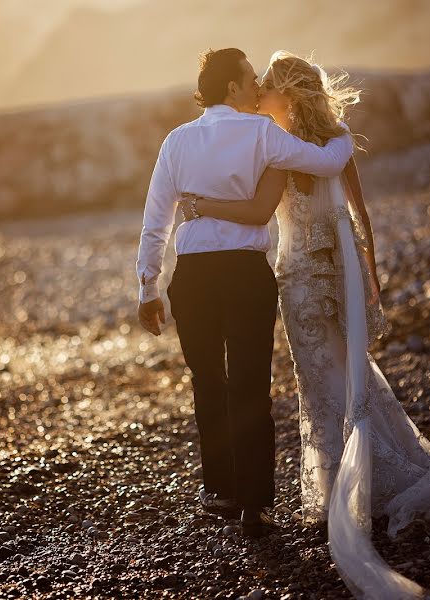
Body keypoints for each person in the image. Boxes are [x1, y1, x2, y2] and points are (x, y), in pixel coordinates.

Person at [178, 51, 430, 599]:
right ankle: (349, 481)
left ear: (289, 94)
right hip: (312, 270)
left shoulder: (285, 147)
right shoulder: (304, 140)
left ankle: (351, 486)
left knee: (336, 373)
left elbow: (316, 212)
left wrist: (200, 206)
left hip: (312, 271)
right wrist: (366, 274)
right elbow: (342, 211)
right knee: (332, 373)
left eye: (266, 86)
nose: (257, 95)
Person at [135, 48, 354, 538]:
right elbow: (327, 161)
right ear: (232, 87)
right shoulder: (262, 134)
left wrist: (148, 286)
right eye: (251, 78)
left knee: (207, 382)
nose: (257, 86)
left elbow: (156, 221)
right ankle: (253, 504)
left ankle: (222, 490)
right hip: (245, 272)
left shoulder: (176, 141)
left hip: (191, 277)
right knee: (251, 383)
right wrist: (338, 129)